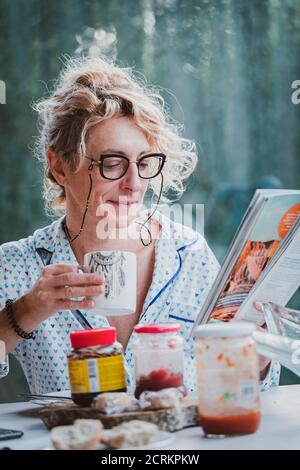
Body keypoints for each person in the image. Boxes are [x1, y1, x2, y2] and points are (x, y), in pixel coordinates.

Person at [0, 57, 279, 394]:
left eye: (145, 162)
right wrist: (27, 310)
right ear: (60, 168)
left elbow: (239, 388)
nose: (135, 183)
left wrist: (258, 356)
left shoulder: (188, 254)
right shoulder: (20, 265)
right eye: (113, 163)